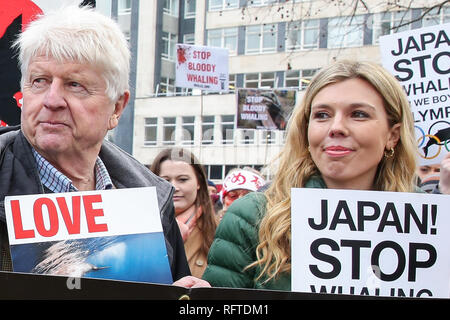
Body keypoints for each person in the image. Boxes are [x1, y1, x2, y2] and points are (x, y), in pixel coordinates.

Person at [0, 5, 210, 288]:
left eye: (75, 85)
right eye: (39, 81)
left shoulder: (151, 198)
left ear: (117, 107)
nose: (51, 100)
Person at [202, 60, 450, 290]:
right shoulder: (253, 217)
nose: (336, 127)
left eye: (358, 114)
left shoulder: (432, 221)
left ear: (392, 135)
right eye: (322, 115)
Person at [150, 148, 217, 278]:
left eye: (183, 179)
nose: (174, 187)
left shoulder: (218, 233)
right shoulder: (139, 233)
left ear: (199, 183)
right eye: (165, 180)